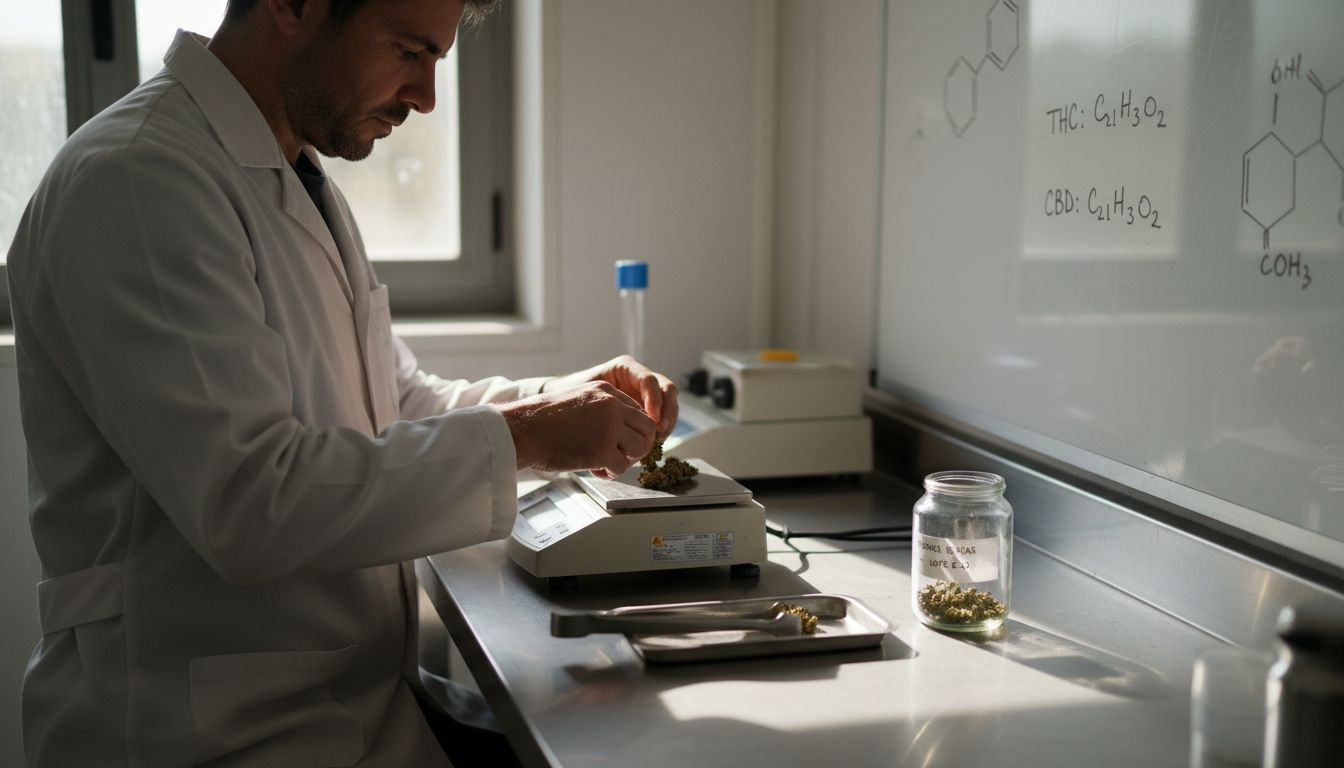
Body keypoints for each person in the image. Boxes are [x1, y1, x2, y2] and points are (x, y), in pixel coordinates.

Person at [6, 0, 678, 765]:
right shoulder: (138, 180)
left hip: (336, 700)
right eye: (407, 52)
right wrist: (527, 434)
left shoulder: (293, 174)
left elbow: (390, 406)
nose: (426, 96)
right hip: (201, 730)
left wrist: (557, 403)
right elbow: (252, 501)